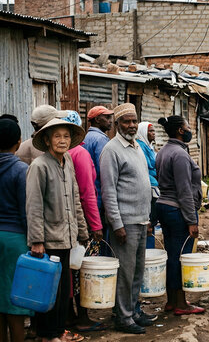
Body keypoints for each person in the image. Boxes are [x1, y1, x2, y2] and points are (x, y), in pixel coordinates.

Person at [26, 118, 89, 342]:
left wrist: (82, 232)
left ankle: (58, 331)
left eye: (66, 136)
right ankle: (48, 335)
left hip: (67, 238)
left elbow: (75, 199)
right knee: (49, 291)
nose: (62, 141)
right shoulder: (39, 166)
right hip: (49, 240)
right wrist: (36, 240)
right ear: (47, 139)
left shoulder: (68, 161)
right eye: (57, 136)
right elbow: (34, 206)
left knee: (63, 293)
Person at [100, 103, 154, 334]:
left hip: (141, 219)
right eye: (126, 121)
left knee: (137, 271)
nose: (131, 125)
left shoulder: (137, 146)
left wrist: (148, 218)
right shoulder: (111, 150)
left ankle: (134, 311)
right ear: (116, 124)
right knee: (125, 272)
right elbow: (108, 190)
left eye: (134, 121)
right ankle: (123, 317)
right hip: (125, 223)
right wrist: (117, 223)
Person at [61, 111, 106, 333]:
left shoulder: (60, 153)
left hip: (66, 220)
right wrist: (95, 225)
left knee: (69, 269)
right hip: (84, 221)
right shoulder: (80, 153)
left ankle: (69, 315)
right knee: (84, 269)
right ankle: (84, 316)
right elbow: (88, 193)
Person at [155, 116, 205, 315]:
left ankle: (171, 300)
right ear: (179, 131)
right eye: (187, 127)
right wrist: (191, 220)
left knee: (171, 254)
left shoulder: (163, 151)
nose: (189, 129)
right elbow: (184, 189)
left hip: (164, 207)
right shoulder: (180, 155)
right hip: (177, 210)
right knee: (180, 257)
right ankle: (181, 304)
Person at [0, 117, 32, 342]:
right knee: (15, 299)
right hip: (15, 239)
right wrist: (35, 240)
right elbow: (26, 210)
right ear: (19, 142)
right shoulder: (21, 170)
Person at [83, 106, 114, 255]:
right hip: (99, 197)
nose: (110, 121)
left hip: (89, 196)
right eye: (106, 118)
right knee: (101, 239)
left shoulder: (86, 138)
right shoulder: (101, 139)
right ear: (96, 120)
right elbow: (105, 171)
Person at [136, 121, 159, 248]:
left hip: (154, 183)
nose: (153, 133)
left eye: (154, 131)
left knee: (152, 221)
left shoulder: (148, 146)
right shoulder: (140, 146)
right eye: (150, 131)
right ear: (143, 132)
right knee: (148, 221)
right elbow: (144, 167)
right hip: (148, 185)